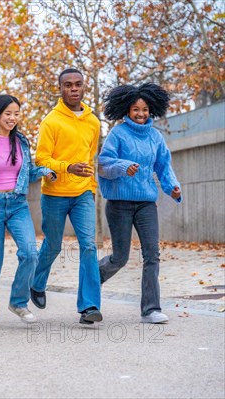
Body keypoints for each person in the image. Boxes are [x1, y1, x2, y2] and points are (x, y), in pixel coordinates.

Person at [0, 95, 55, 327]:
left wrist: (44, 171)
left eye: (16, 113)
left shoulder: (22, 142)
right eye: (8, 114)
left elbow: (28, 172)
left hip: (17, 204)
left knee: (30, 253)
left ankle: (18, 302)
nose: (13, 118)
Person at [98, 83, 181, 324]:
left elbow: (164, 166)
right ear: (126, 110)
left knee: (152, 254)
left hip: (146, 204)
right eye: (136, 109)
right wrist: (123, 167)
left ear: (151, 109)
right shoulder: (118, 134)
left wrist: (173, 188)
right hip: (119, 204)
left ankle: (151, 309)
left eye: (145, 109)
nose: (141, 114)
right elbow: (103, 165)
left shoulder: (155, 137)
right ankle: (93, 277)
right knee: (120, 258)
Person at [31, 68, 103, 324]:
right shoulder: (51, 121)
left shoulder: (94, 122)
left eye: (78, 84)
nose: (74, 89)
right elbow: (41, 159)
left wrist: (91, 186)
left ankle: (89, 306)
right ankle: (37, 283)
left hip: (83, 192)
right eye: (68, 85)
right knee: (53, 245)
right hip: (54, 193)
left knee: (89, 245)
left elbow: (90, 155)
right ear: (60, 89)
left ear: (84, 88)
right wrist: (66, 167)